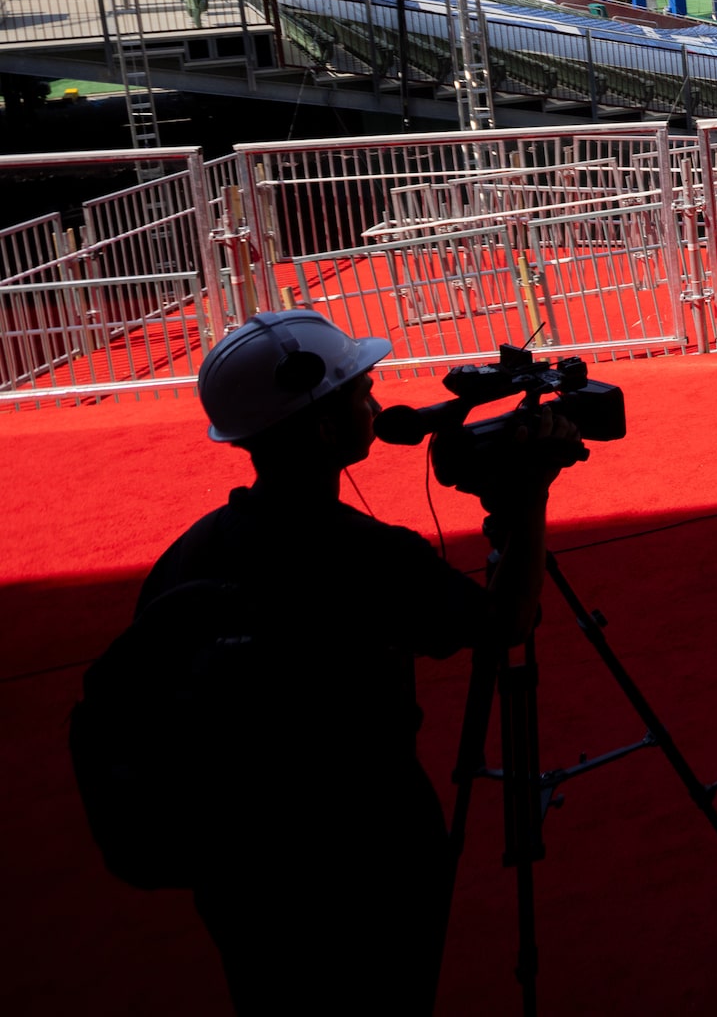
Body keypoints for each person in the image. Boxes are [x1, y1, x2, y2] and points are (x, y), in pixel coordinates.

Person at [116, 311, 561, 1016]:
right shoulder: (372, 557)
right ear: (323, 428)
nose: (376, 406)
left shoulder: (188, 556)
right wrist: (530, 494)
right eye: (360, 393)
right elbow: (507, 620)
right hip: (366, 850)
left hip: (238, 864)